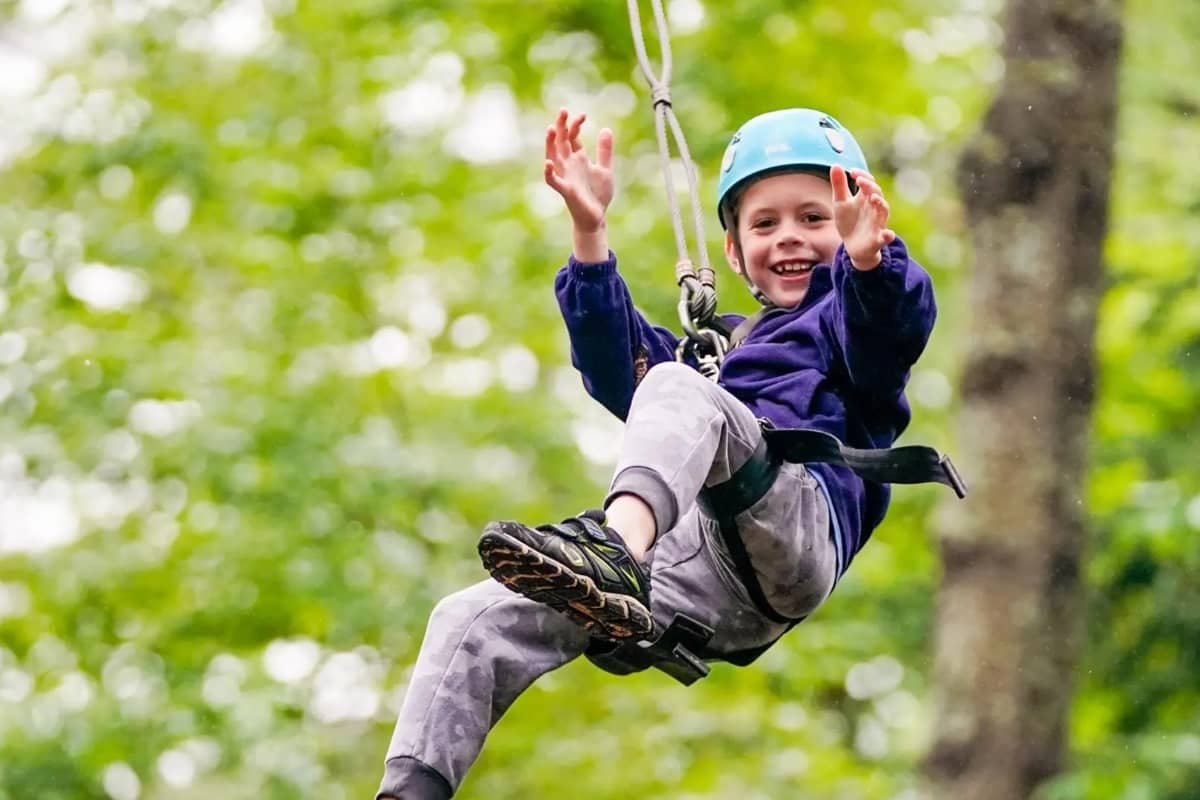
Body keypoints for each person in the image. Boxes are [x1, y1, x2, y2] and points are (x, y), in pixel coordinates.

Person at [376, 106, 938, 799]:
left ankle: (617, 548)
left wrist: (869, 259)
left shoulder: (846, 323)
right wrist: (589, 235)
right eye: (765, 224)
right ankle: (412, 789)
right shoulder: (721, 356)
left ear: (853, 220)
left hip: (798, 524)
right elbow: (621, 368)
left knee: (676, 387)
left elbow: (890, 328)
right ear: (734, 252)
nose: (789, 236)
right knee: (475, 615)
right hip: (703, 580)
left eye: (814, 218)